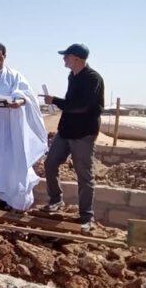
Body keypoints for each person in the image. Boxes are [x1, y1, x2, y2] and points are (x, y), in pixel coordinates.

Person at [0, 43, 48, 211]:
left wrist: (18, 103)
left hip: (7, 127)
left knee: (4, 161)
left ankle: (2, 197)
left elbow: (26, 96)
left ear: (4, 57)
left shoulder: (15, 76)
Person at [43, 43, 105, 232]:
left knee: (84, 175)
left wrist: (55, 101)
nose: (64, 58)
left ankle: (86, 216)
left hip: (83, 134)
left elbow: (81, 106)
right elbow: (71, 103)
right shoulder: (73, 76)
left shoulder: (92, 78)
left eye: (67, 56)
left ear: (76, 58)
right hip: (66, 131)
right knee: (50, 163)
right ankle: (56, 200)